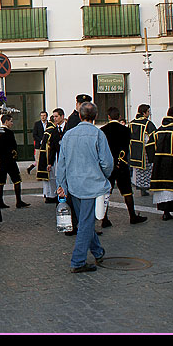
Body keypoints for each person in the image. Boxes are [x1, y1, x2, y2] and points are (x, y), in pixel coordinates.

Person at [56, 101, 112, 273]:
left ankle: (98, 251)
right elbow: (107, 163)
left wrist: (61, 184)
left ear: (80, 116)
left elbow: (62, 163)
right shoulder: (98, 134)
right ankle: (78, 261)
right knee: (86, 224)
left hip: (74, 185)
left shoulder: (68, 135)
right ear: (95, 116)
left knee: (84, 221)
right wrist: (103, 175)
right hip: (92, 185)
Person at [100, 107, 147, 226]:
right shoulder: (126, 130)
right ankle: (132, 216)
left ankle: (104, 218)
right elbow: (128, 147)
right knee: (127, 191)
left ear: (108, 117)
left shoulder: (102, 130)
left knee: (106, 192)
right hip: (122, 164)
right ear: (119, 116)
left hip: (108, 165)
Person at [0, 114, 30, 209]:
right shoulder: (8, 133)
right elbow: (13, 146)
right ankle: (18, 201)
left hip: (1, 160)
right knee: (17, 179)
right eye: (11, 121)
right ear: (6, 121)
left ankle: (0, 201)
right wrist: (14, 155)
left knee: (1, 181)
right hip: (10, 160)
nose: (12, 123)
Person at [37, 109, 65, 204]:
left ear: (62, 116)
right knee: (56, 177)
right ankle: (56, 195)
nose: (54, 118)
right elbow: (52, 147)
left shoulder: (66, 128)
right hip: (57, 158)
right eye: (53, 117)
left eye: (56, 116)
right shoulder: (54, 130)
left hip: (65, 157)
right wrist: (50, 162)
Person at [129, 104, 157, 196]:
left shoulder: (132, 123)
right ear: (144, 112)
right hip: (145, 151)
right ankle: (145, 187)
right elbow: (154, 136)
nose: (149, 114)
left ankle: (140, 187)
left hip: (134, 151)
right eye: (148, 112)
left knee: (138, 171)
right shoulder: (148, 123)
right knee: (147, 169)